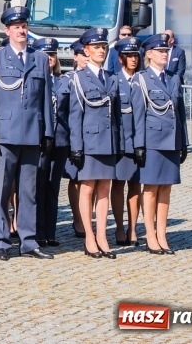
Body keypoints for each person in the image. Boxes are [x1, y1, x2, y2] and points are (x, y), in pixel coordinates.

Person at [0, 6, 55, 261]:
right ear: (7, 31)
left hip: (32, 133)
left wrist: (48, 132)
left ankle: (28, 241)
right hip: (6, 134)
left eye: (24, 26)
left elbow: (45, 98)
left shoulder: (39, 59)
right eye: (16, 27)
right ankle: (0, 241)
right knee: (2, 192)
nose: (21, 31)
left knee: (28, 192)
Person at [132, 33, 187, 255]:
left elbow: (180, 113)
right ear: (149, 54)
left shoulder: (173, 78)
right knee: (151, 189)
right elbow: (138, 116)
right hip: (152, 141)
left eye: (166, 51)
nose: (165, 54)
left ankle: (162, 234)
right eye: (160, 51)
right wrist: (139, 145)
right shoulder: (141, 79)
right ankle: (150, 235)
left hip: (172, 141)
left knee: (166, 188)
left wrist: (184, 142)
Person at [69, 28, 121, 259]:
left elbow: (117, 116)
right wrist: (76, 146)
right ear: (86, 51)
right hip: (89, 141)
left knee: (104, 190)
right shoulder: (79, 78)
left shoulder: (111, 77)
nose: (101, 51)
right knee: (87, 188)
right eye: (96, 47)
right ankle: (89, 236)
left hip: (108, 141)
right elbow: (75, 115)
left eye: (103, 47)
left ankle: (102, 236)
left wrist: (119, 143)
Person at [34, 37, 67, 248]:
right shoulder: (35, 80)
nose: (49, 58)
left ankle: (50, 232)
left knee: (53, 188)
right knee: (37, 187)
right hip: (38, 140)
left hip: (60, 140)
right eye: (45, 55)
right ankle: (37, 232)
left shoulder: (63, 81)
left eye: (52, 54)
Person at [111, 35, 142, 247]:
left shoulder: (142, 80)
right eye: (129, 55)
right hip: (121, 141)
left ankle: (132, 227)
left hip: (139, 141)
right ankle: (119, 227)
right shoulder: (114, 81)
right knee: (118, 184)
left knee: (135, 186)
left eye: (135, 55)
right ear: (121, 58)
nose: (133, 59)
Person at [65, 40, 88, 239]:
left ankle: (88, 217)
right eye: (82, 54)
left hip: (94, 137)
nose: (86, 58)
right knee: (75, 178)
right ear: (75, 57)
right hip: (73, 135)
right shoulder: (69, 79)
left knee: (92, 181)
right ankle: (77, 218)